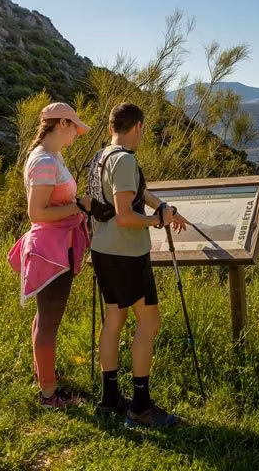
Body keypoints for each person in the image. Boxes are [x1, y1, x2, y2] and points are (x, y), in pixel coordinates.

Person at [89, 103, 188, 427]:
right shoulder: (126, 161)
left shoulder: (103, 156)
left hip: (103, 251)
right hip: (127, 255)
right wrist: (156, 221)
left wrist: (164, 207)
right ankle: (141, 406)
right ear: (138, 128)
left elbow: (137, 193)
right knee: (149, 324)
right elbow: (126, 215)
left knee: (114, 319)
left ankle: (110, 399)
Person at [8, 102, 93, 408]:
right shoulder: (44, 160)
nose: (77, 134)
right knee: (48, 322)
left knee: (43, 319)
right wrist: (81, 206)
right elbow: (37, 212)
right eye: (75, 127)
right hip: (51, 252)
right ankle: (49, 395)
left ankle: (44, 377)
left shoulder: (52, 156)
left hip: (56, 247)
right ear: (62, 124)